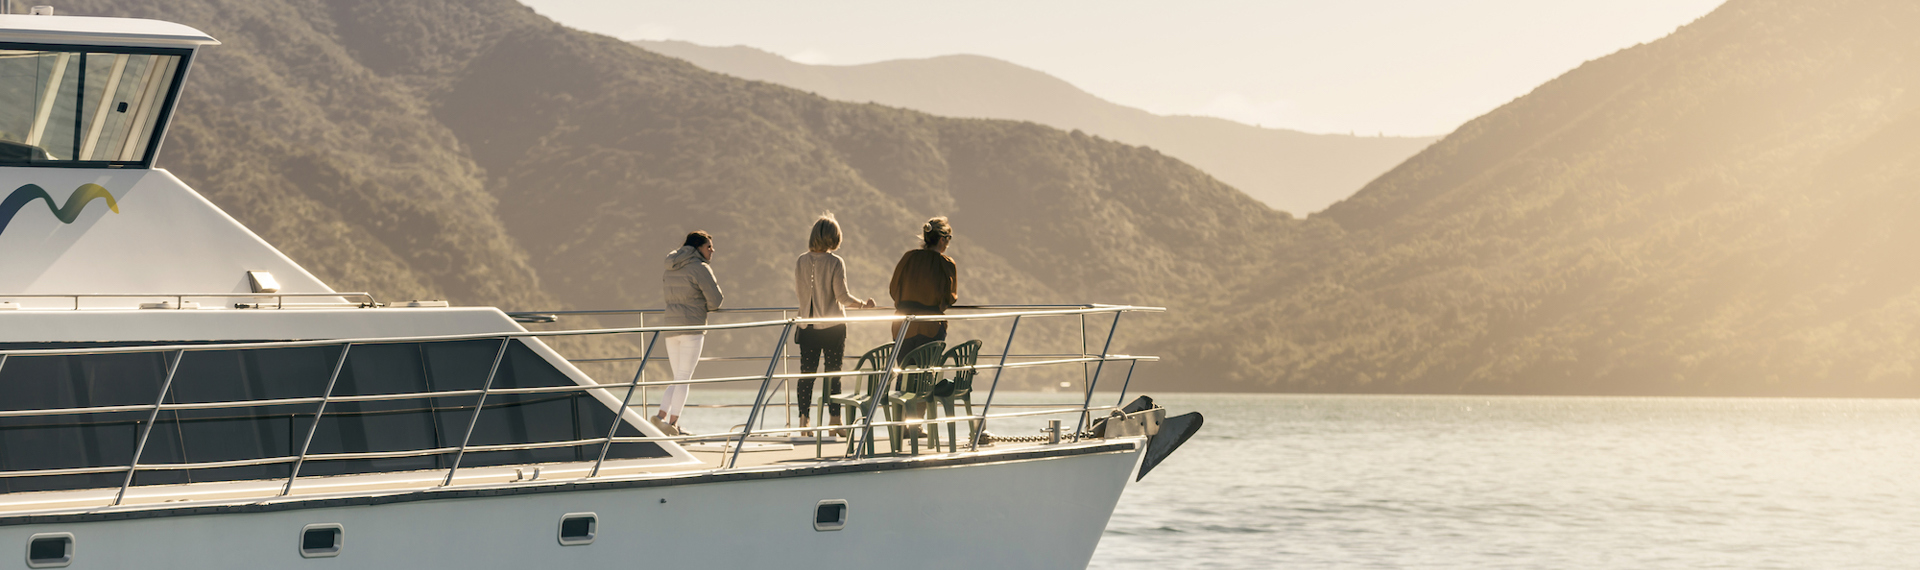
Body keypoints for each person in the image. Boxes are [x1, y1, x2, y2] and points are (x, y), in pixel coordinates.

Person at [793, 214, 876, 436]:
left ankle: (804, 421)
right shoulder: (835, 262)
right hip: (832, 327)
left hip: (806, 326)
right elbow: (842, 296)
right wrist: (863, 305)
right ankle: (834, 421)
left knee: (806, 374)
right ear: (833, 237)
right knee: (833, 373)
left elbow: (800, 292)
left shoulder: (801, 260)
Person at [658, 230, 723, 435]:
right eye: (708, 247)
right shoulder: (700, 268)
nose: (713, 250)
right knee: (684, 378)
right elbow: (716, 301)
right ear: (698, 248)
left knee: (678, 377)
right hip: (692, 327)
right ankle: (673, 424)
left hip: (671, 327)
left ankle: (660, 417)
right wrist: (705, 306)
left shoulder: (671, 267)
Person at [889, 217, 958, 355]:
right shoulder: (946, 264)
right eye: (949, 238)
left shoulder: (908, 258)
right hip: (930, 327)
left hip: (902, 325)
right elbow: (950, 298)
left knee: (905, 371)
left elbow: (893, 290)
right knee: (925, 372)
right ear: (941, 240)